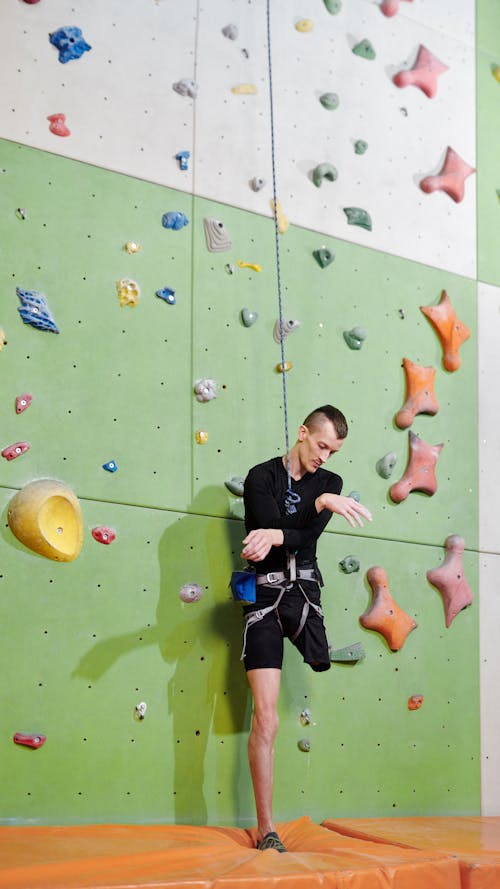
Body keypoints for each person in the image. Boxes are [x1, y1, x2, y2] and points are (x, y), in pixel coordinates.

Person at [240, 405, 372, 852]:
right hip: (261, 597)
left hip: (303, 593)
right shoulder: (260, 477)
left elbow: (304, 540)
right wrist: (293, 522)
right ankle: (266, 828)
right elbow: (267, 532)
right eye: (321, 446)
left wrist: (296, 520)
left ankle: (316, 640)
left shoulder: (329, 484)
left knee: (319, 658)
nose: (325, 458)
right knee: (268, 717)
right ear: (302, 434)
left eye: (333, 451)